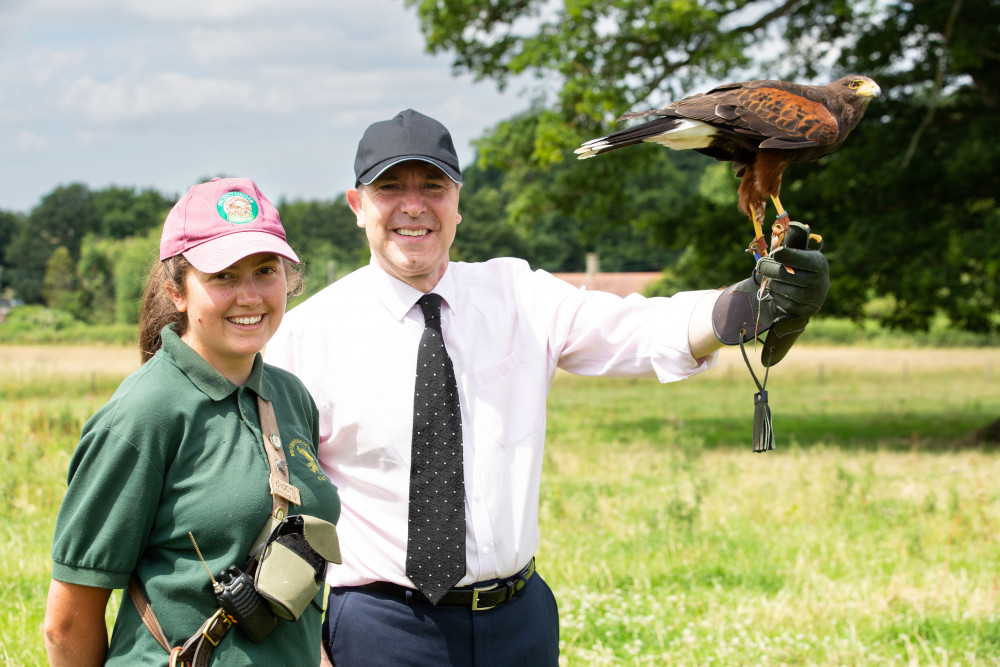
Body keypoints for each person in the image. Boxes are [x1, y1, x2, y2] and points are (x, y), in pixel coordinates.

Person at [263, 109, 830, 666]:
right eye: (390, 188)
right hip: (381, 628)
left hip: (520, 622)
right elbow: (272, 507)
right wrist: (308, 653)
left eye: (433, 185)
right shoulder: (306, 337)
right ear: (357, 206)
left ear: (458, 202)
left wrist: (744, 306)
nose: (414, 205)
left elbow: (635, 328)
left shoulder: (518, 295)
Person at [44, 177, 341, 666]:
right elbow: (67, 623)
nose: (250, 296)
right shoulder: (143, 414)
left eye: (265, 270)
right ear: (176, 292)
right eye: (224, 276)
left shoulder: (290, 396)